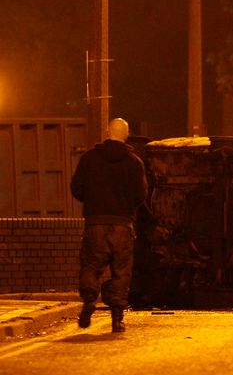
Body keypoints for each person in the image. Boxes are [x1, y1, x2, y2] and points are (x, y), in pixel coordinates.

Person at [71, 118, 148, 333]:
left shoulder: (89, 159)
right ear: (126, 134)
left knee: (91, 265)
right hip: (122, 225)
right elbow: (141, 195)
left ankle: (89, 299)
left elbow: (76, 188)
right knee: (121, 271)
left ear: (107, 131)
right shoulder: (134, 163)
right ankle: (117, 318)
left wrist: (93, 200)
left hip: (95, 223)